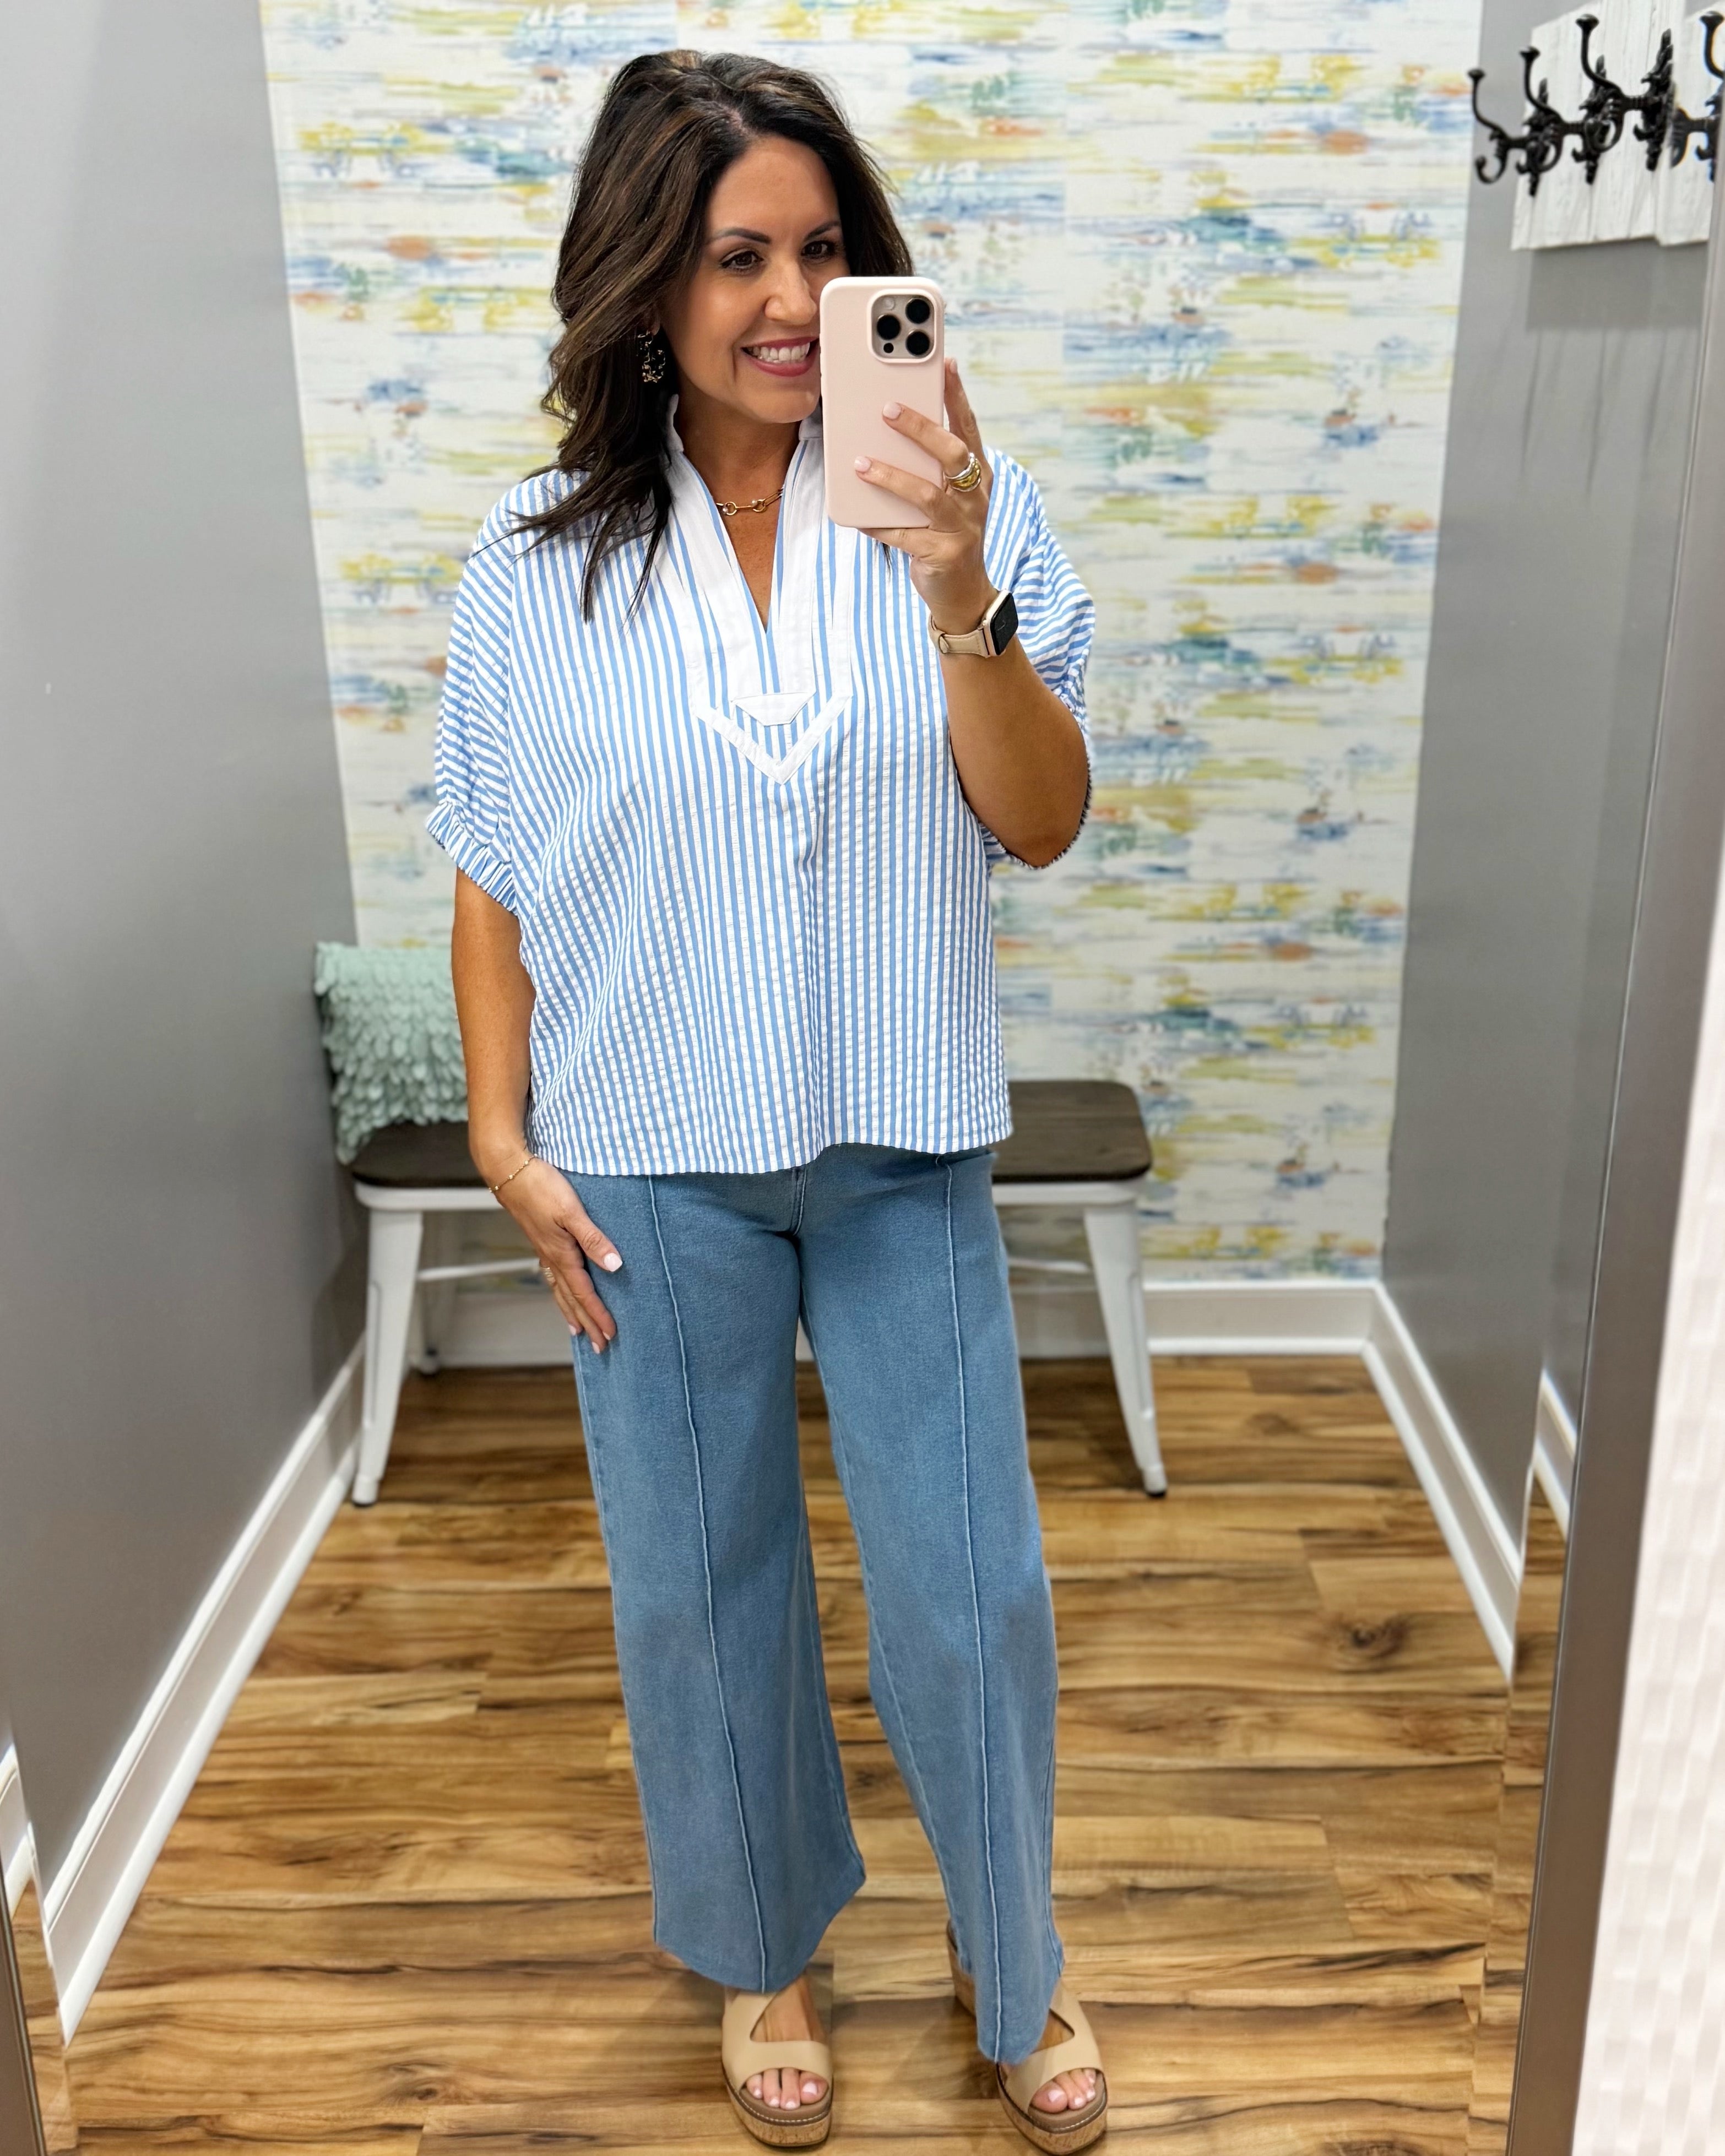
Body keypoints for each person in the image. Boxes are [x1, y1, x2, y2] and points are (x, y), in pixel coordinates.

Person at [430, 48, 1105, 2152]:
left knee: (969, 1586)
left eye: (826, 251)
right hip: (650, 1150)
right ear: (650, 285)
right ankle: (764, 1951)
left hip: (900, 1136)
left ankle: (1019, 1954)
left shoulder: (961, 523)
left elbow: (1045, 820)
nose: (792, 299)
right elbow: (490, 867)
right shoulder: (536, 564)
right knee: (699, 1586)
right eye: (739, 256)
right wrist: (500, 1130)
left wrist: (960, 598)